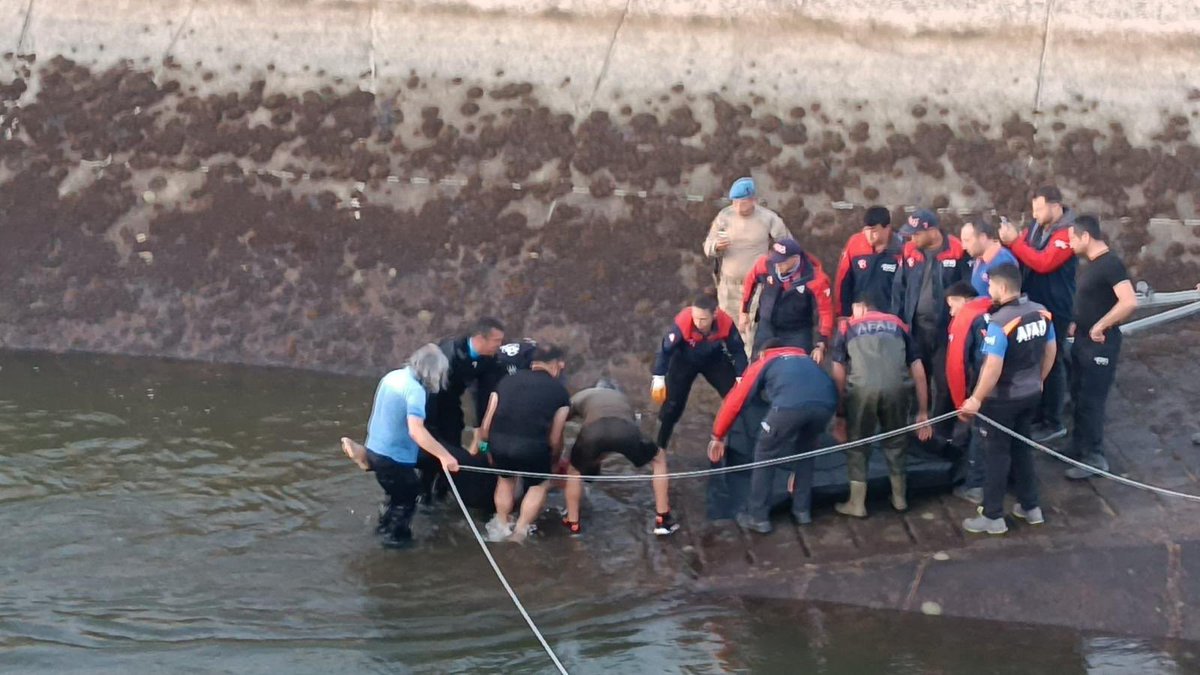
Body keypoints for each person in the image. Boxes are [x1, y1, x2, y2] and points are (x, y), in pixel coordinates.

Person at [958, 263, 1057, 535]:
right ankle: (1030, 506)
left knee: (996, 456)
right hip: (1031, 394)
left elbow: (992, 367)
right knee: (1022, 449)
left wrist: (976, 398)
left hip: (1001, 400)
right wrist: (1039, 379)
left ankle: (992, 516)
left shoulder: (1000, 322)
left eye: (990, 286)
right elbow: (1051, 349)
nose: (989, 291)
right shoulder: (1041, 312)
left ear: (1001, 288)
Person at [708, 339, 838, 532]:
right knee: (806, 451)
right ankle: (802, 510)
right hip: (826, 404)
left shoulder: (766, 360)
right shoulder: (806, 359)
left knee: (765, 452)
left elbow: (736, 399)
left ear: (763, 353)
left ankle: (758, 516)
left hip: (788, 407)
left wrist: (717, 436)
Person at [340, 344, 462, 544]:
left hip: (376, 447)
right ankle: (396, 543)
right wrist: (445, 456)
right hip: (393, 456)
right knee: (407, 497)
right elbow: (416, 431)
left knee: (396, 493)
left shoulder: (393, 377)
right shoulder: (415, 391)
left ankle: (382, 528)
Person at [830, 296, 933, 517]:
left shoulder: (847, 326)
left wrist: (839, 413)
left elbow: (838, 372)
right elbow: (918, 369)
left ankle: (857, 504)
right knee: (896, 441)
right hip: (898, 387)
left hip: (861, 390)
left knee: (857, 443)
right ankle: (899, 498)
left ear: (862, 307)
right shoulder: (898, 324)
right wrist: (923, 411)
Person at [999, 187, 1078, 442]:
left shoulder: (1067, 233)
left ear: (1055, 206)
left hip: (1056, 306)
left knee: (1052, 363)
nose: (1035, 214)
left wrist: (1015, 243)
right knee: (1036, 359)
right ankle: (1040, 412)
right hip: (1036, 303)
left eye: (1039, 209)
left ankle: (1053, 420)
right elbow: (1025, 251)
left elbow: (1044, 263)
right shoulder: (1036, 227)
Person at [1064, 215, 1137, 480]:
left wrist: (1100, 325)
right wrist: (1077, 321)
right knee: (1078, 395)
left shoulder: (1111, 264)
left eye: (1072, 237)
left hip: (1100, 346)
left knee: (1092, 401)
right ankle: (1078, 446)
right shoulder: (1091, 265)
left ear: (1086, 237)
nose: (1069, 243)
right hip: (1083, 342)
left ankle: (1095, 457)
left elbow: (1128, 302)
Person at [476, 344, 571, 542]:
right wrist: (553, 461)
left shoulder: (506, 382)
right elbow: (555, 436)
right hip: (532, 448)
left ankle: (500, 525)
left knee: (505, 480)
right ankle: (519, 532)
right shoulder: (560, 392)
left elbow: (486, 424)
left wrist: (486, 448)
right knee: (539, 485)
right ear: (554, 365)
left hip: (499, 444)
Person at [562, 379, 678, 536]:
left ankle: (573, 522)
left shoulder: (582, 396)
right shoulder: (623, 399)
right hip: (624, 429)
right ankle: (663, 517)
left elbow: (560, 418)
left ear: (596, 388)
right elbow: (622, 432)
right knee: (658, 458)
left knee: (574, 470)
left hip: (594, 432)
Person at [702, 176, 794, 354]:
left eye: (742, 202)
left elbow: (788, 246)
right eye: (734, 202)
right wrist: (716, 247)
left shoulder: (768, 218)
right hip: (728, 285)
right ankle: (729, 370)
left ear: (752, 200)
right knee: (726, 327)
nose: (737, 207)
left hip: (755, 286)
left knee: (750, 331)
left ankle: (747, 372)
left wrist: (776, 263)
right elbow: (708, 246)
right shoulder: (724, 217)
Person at [420, 317, 506, 501]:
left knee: (453, 442)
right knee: (432, 449)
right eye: (496, 341)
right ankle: (424, 493)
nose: (500, 346)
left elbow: (484, 397)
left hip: (452, 403)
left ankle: (443, 490)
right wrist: (429, 429)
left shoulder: (490, 360)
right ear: (480, 338)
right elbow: (431, 391)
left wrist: (481, 435)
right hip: (431, 402)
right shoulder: (449, 354)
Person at [651, 291, 748, 452]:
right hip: (684, 359)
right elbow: (665, 349)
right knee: (672, 404)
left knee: (736, 397)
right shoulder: (683, 321)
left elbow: (737, 350)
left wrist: (741, 375)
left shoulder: (725, 323)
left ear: (715, 314)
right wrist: (658, 376)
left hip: (713, 358)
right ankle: (658, 447)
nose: (698, 323)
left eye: (703, 319)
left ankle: (739, 444)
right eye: (695, 318)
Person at [740, 238, 834, 360]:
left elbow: (826, 312)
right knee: (757, 365)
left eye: (782, 262)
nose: (777, 265)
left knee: (799, 366)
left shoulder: (816, 280)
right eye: (776, 260)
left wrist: (821, 343)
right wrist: (744, 310)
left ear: (795, 259)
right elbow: (751, 279)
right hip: (767, 326)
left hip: (797, 331)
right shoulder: (766, 264)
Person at [944, 281, 994, 504]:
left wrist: (960, 404)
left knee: (978, 434)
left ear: (963, 300)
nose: (951, 311)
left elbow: (956, 366)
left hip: (981, 386)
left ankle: (975, 486)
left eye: (952, 305)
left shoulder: (965, 318)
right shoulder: (998, 308)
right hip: (1015, 386)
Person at [834, 205, 904, 318]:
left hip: (890, 319)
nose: (869, 235)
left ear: (887, 228)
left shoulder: (902, 249)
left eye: (874, 231)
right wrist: (842, 314)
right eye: (866, 230)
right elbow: (843, 281)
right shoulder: (855, 244)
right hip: (859, 317)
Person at [960, 214, 1018, 297]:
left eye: (967, 240)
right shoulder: (980, 259)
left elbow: (1006, 299)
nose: (963, 246)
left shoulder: (1003, 261)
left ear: (982, 237)